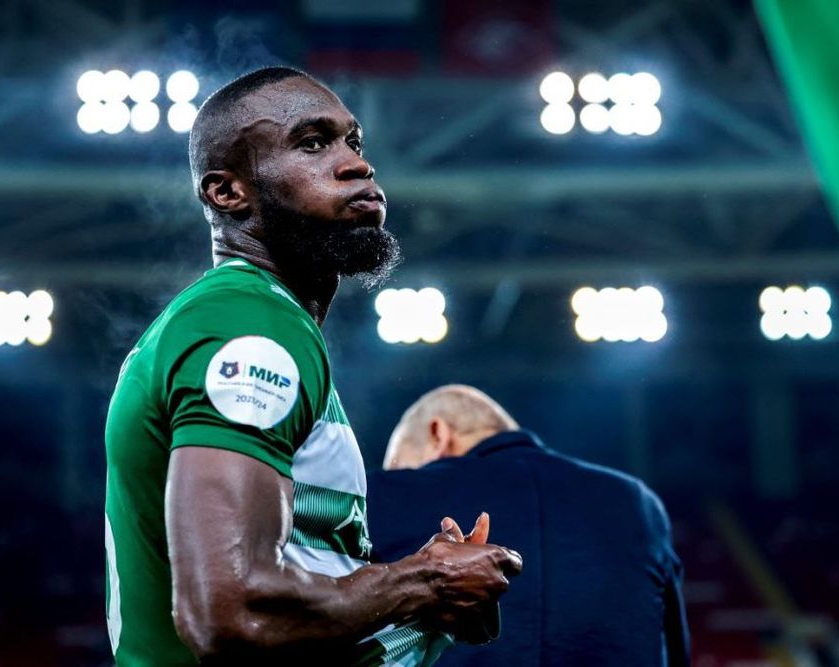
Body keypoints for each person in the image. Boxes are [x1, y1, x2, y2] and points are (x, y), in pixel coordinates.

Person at [103, 68, 522, 666]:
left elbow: (287, 607)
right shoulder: (247, 323)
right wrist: (424, 580)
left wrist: (427, 611)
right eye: (312, 143)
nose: (357, 164)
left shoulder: (258, 319)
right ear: (227, 193)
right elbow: (229, 614)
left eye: (354, 141)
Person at [367, 385, 690, 666]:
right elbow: (675, 647)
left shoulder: (382, 492)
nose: (400, 474)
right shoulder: (636, 500)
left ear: (438, 434)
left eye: (399, 463)